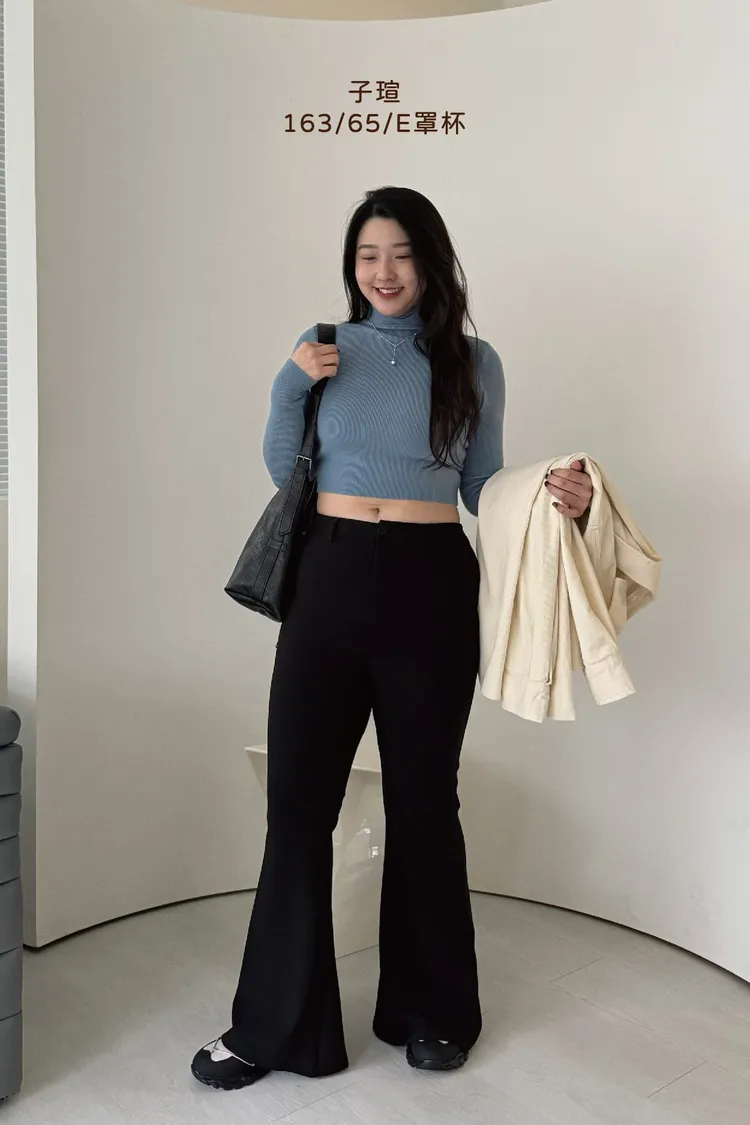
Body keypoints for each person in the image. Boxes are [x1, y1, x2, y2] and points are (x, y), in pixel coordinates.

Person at [191, 186, 593, 1091]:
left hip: (431, 582)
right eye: (368, 254)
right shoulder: (323, 346)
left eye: (402, 254)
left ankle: (433, 1012)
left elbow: (483, 484)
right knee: (299, 803)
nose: (384, 271)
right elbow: (284, 463)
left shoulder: (474, 362)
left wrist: (560, 498)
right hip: (328, 575)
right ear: (352, 264)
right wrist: (291, 380)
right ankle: (273, 1026)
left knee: (423, 802)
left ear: (432, 261)